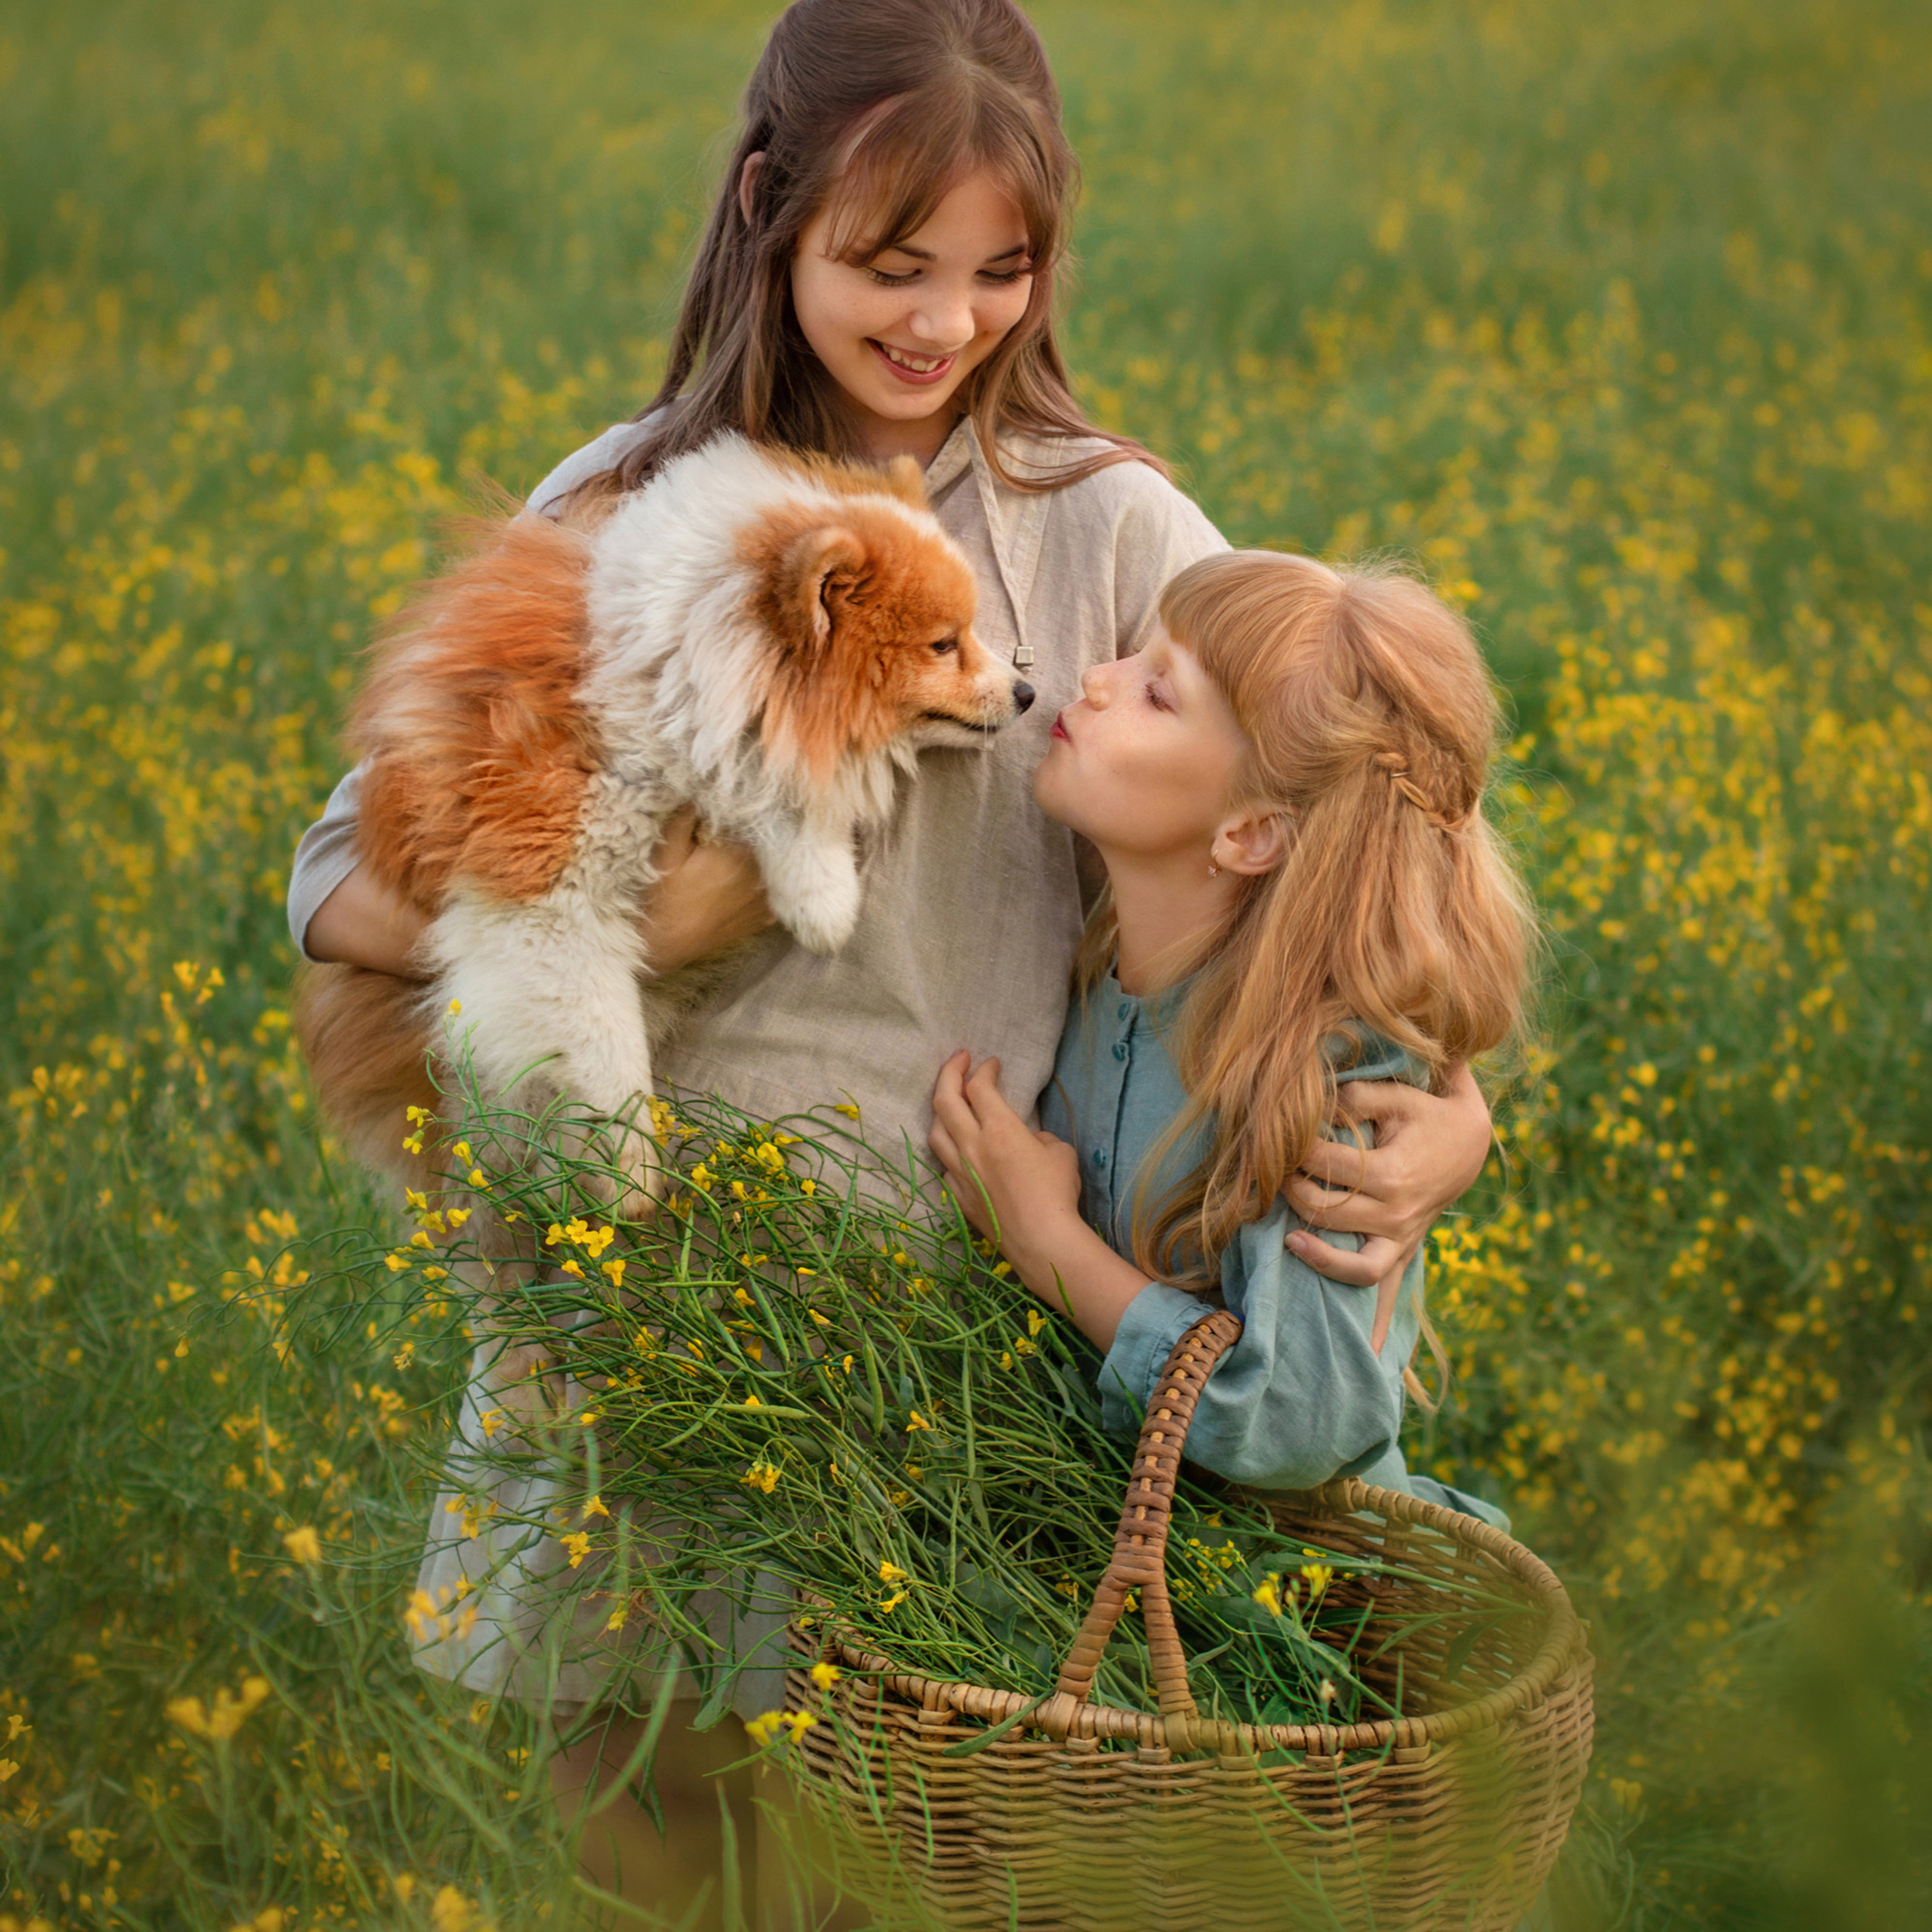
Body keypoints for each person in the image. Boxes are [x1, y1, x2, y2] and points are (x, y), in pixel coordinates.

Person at [285, 1, 1496, 1916]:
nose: (942, 322)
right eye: (887, 262)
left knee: (894, 1829)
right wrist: (646, 916)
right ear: (769, 213)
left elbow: (1339, 816)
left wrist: (1452, 1109)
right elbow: (335, 870)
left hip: (955, 1312)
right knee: (649, 1797)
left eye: (997, 269)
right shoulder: (625, 506)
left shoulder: (1101, 528)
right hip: (645, 1288)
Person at [931, 549, 1531, 1525]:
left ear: (1250, 834)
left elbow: (1298, 1420)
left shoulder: (1327, 1074)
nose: (1097, 677)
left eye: (1158, 693)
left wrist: (1044, 1241)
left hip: (1277, 1633)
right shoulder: (1097, 966)